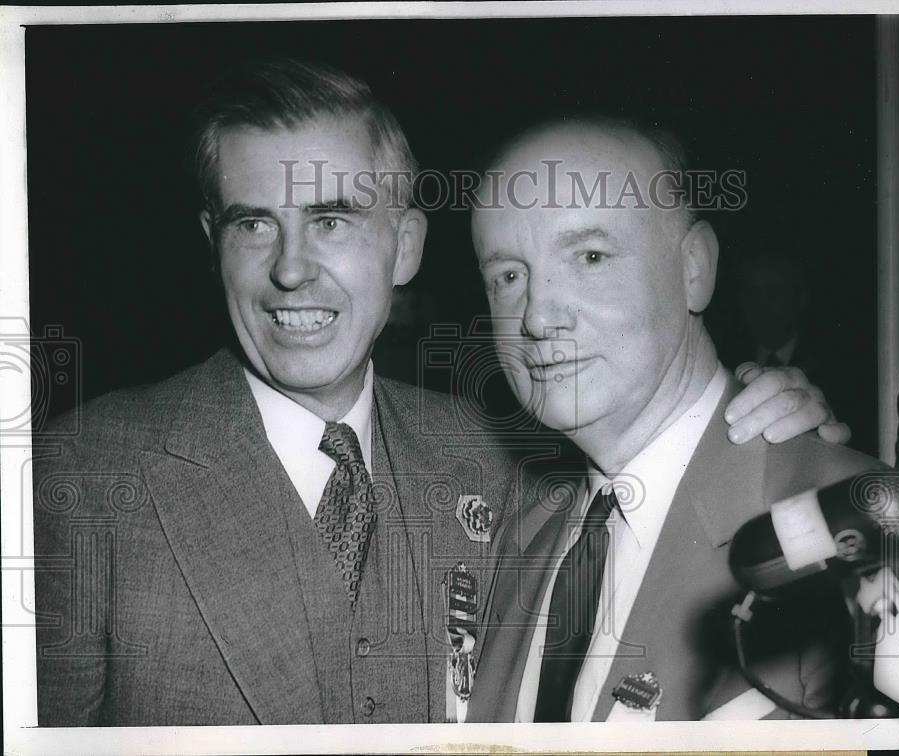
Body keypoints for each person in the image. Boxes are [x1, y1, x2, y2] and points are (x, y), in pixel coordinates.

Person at [33, 59, 846, 726]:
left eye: (333, 219)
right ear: (215, 244)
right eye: (252, 224)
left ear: (407, 247)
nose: (289, 268)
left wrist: (771, 417)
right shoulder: (82, 475)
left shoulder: (495, 457)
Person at [466, 116, 883, 722]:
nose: (538, 316)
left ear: (694, 268)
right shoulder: (514, 540)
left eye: (589, 255)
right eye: (507, 276)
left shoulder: (865, 537)